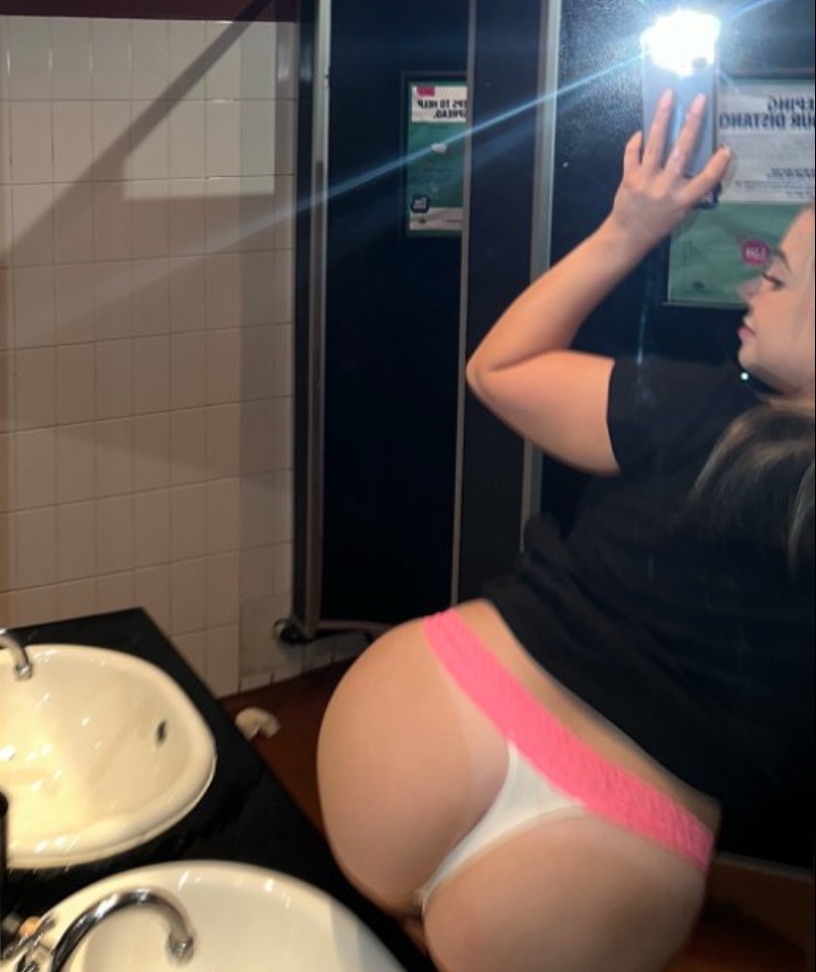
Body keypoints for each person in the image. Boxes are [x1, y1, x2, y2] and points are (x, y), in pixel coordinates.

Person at [317, 91, 814, 972]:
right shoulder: (707, 409)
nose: (749, 288)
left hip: (428, 726)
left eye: (774, 278)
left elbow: (498, 369)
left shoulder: (704, 410)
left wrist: (628, 230)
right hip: (613, 858)